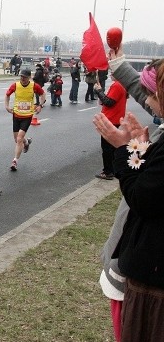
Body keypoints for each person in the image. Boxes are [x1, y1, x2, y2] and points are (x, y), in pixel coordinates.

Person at [92, 58, 164, 342]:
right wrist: (139, 148)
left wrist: (123, 149)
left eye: (153, 93)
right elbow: (151, 178)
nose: (148, 100)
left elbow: (141, 195)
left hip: (151, 279)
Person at [4, 67, 46, 171]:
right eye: (21, 76)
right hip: (16, 115)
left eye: (24, 77)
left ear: (29, 78)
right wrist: (7, 106)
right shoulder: (15, 85)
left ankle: (15, 162)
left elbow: (43, 94)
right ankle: (26, 142)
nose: (22, 78)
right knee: (17, 139)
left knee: (19, 139)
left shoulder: (34, 86)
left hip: (27, 116)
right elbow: (7, 95)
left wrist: (40, 105)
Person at [93, 72, 128, 180]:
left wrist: (99, 91)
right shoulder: (121, 84)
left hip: (111, 119)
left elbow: (109, 102)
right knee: (111, 147)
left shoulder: (117, 85)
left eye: (113, 72)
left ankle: (108, 171)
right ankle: (112, 169)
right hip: (115, 118)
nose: (110, 74)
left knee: (107, 148)